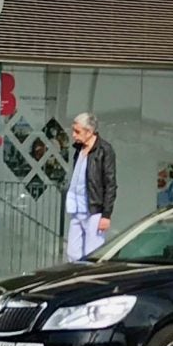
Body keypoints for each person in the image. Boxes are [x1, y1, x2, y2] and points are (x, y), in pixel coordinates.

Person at [64, 112, 117, 261]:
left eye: (77, 131)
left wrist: (106, 214)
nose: (74, 135)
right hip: (77, 207)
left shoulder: (104, 150)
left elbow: (110, 183)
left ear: (89, 131)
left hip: (93, 209)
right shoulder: (79, 149)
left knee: (92, 252)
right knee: (72, 252)